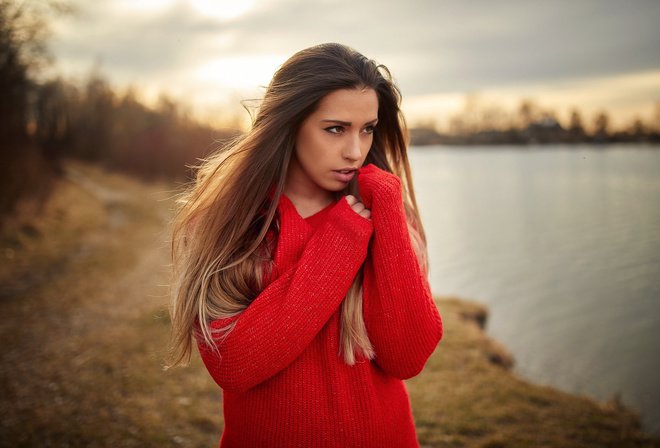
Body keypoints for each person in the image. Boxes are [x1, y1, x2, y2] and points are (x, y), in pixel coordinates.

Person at [168, 43, 443, 447]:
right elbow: (235, 365)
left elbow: (407, 356)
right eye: (335, 128)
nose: (355, 151)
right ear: (290, 124)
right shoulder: (231, 225)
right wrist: (340, 243)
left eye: (367, 129)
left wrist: (386, 212)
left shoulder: (385, 213)